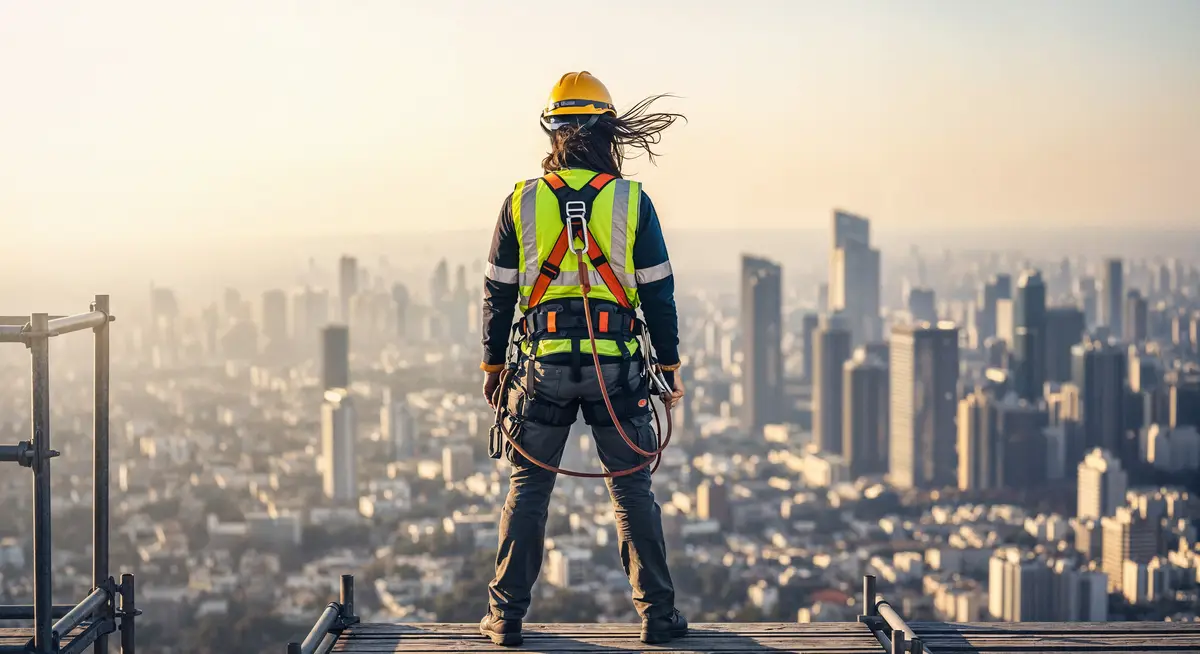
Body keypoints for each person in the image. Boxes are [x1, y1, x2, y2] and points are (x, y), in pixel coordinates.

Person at [478, 71, 688, 646]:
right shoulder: (631, 201)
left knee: (529, 487)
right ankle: (659, 617)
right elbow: (658, 292)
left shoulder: (521, 200)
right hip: (617, 367)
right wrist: (668, 366)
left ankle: (506, 618)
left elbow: (498, 293)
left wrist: (494, 366)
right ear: (607, 129)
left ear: (552, 131)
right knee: (631, 489)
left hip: (542, 366)